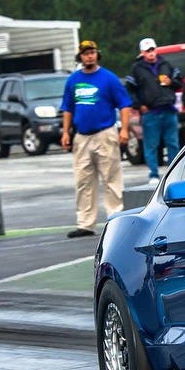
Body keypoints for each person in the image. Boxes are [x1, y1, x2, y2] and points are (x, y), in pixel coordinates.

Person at [60, 40, 132, 238]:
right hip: (82, 136)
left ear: (97, 55)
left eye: (92, 52)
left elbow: (124, 105)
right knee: (83, 181)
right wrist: (66, 132)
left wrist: (124, 129)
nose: (89, 56)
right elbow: (67, 107)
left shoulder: (108, 78)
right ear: (80, 57)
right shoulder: (73, 80)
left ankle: (115, 218)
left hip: (104, 133)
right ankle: (85, 223)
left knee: (111, 178)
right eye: (85, 53)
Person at [127, 38, 181, 185]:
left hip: (168, 109)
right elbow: (130, 89)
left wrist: (171, 82)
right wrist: (139, 105)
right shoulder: (136, 68)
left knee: (173, 143)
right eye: (147, 51)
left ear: (156, 49)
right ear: (142, 53)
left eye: (152, 49)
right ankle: (153, 173)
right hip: (150, 112)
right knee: (151, 145)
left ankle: (173, 173)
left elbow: (179, 82)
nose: (151, 53)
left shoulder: (166, 64)